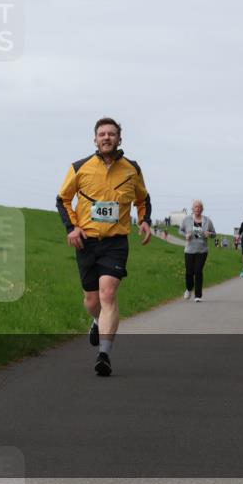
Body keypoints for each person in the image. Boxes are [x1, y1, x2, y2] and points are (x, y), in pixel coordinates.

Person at [57, 117, 153, 377]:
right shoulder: (79, 167)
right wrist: (72, 228)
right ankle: (97, 321)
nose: (107, 138)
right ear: (95, 139)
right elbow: (63, 199)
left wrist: (144, 221)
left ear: (119, 139)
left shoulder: (132, 169)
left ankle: (104, 354)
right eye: (102, 134)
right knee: (91, 300)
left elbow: (143, 199)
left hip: (115, 242)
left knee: (108, 294)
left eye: (112, 134)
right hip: (86, 241)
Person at [178, 200, 216, 302]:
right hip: (189, 250)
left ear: (202, 209)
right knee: (189, 272)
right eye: (195, 207)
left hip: (202, 250)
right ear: (192, 209)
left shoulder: (207, 221)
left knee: (198, 271)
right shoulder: (187, 220)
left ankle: (198, 295)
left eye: (199, 207)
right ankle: (189, 288)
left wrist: (210, 234)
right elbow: (180, 230)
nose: (197, 209)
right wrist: (185, 235)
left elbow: (214, 233)